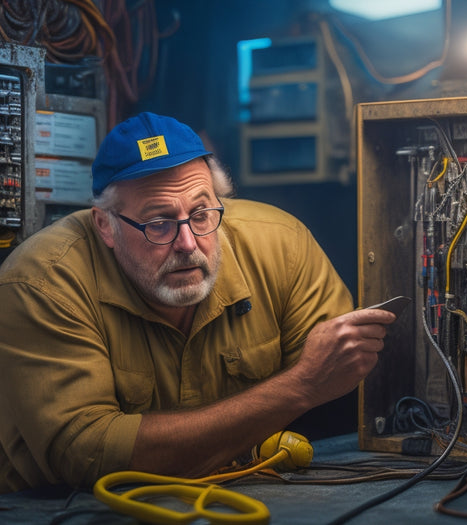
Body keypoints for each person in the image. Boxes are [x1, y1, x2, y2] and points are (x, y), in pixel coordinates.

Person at [0, 112, 395, 493]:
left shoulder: (282, 245)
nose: (188, 244)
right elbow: (86, 452)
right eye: (159, 223)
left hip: (245, 489)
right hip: (52, 509)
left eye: (201, 213)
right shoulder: (43, 282)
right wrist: (299, 386)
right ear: (105, 225)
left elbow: (345, 374)